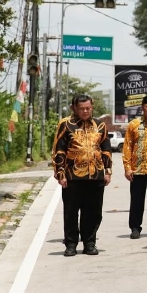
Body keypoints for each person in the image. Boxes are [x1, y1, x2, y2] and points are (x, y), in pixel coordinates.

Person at [53, 94, 113, 257]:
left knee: (93, 211)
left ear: (92, 107)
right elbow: (59, 149)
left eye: (88, 108)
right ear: (74, 108)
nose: (85, 111)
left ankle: (89, 242)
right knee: (71, 211)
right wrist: (60, 173)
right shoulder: (66, 124)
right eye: (82, 108)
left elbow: (106, 149)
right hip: (72, 176)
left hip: (96, 176)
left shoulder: (100, 125)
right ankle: (71, 243)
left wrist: (107, 171)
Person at [122, 95, 147, 239]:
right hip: (137, 169)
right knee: (136, 201)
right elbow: (127, 146)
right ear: (142, 108)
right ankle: (135, 228)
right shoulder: (134, 124)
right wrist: (127, 167)